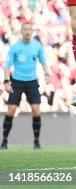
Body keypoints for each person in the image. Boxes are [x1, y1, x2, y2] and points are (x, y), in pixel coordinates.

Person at [1, 22, 49, 150]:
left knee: (36, 110)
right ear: (21, 31)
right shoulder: (15, 47)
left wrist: (47, 75)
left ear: (32, 31)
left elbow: (44, 62)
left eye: (29, 29)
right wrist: (6, 82)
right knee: (11, 110)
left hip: (32, 82)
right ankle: (4, 141)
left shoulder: (37, 46)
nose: (27, 31)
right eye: (25, 29)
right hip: (17, 81)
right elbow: (7, 66)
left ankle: (37, 141)